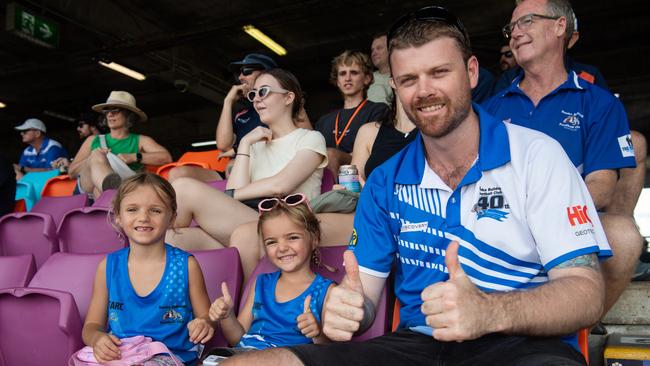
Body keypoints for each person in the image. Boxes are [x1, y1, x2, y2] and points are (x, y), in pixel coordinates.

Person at [220, 5, 608, 366]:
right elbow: (365, 297)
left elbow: (586, 292)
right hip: (418, 345)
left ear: (471, 73)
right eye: (408, 79)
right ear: (396, 88)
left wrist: (492, 312)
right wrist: (347, 307)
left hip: (523, 346)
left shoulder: (538, 155)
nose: (423, 91)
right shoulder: (385, 180)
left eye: (439, 72)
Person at [483, 0, 643, 313]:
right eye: (511, 27)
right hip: (499, 219)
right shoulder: (491, 109)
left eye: (527, 21)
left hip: (564, 220)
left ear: (559, 27)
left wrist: (542, 215)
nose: (515, 33)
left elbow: (601, 185)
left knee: (624, 235)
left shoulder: (598, 102)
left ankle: (575, 324)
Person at [167, 69, 327, 280]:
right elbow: (236, 190)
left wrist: (233, 195)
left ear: (289, 97)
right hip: (249, 220)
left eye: (264, 92)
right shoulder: (254, 147)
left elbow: (281, 185)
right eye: (254, 95)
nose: (257, 99)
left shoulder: (310, 138)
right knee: (173, 238)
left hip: (287, 222)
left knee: (183, 187)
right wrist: (245, 143)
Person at [81, 173, 215, 365]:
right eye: (132, 209)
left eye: (155, 210)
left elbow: (206, 316)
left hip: (171, 357)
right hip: (121, 356)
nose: (143, 217)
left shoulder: (187, 265)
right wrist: (97, 340)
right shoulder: (108, 267)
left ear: (172, 218)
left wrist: (204, 324)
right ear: (118, 216)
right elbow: (91, 326)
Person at [207, 194, 334, 355]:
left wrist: (317, 333)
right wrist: (227, 317)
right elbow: (237, 339)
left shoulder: (326, 291)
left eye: (293, 237)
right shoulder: (261, 284)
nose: (282, 248)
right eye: (272, 242)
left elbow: (331, 352)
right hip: (244, 357)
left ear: (314, 239)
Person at [169, 53, 311, 183]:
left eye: (247, 72)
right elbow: (223, 146)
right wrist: (228, 102)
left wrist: (238, 150)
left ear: (266, 73)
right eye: (239, 73)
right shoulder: (243, 113)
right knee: (178, 174)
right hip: (238, 171)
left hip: (265, 167)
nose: (241, 77)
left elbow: (306, 138)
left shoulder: (285, 104)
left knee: (232, 165)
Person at [67, 91, 172, 198]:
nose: (110, 114)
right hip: (88, 192)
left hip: (121, 190)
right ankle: (111, 193)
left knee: (97, 190)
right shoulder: (93, 140)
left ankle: (109, 195)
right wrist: (93, 159)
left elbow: (166, 158)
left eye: (115, 110)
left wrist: (134, 156)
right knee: (96, 156)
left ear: (129, 115)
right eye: (107, 111)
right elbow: (71, 173)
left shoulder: (140, 140)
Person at [315, 50, 388, 180]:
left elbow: (377, 151)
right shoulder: (324, 120)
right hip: (324, 177)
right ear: (337, 81)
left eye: (354, 72)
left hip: (360, 174)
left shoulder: (378, 110)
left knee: (331, 154)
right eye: (342, 74)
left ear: (367, 79)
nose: (347, 78)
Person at [351, 96, 416, 186]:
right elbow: (354, 186)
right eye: (408, 81)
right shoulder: (369, 131)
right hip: (373, 199)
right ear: (392, 82)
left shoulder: (433, 132)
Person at [367, 34, 393, 106]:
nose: (374, 53)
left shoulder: (400, 77)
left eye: (379, 48)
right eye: (372, 50)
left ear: (390, 50)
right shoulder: (367, 78)